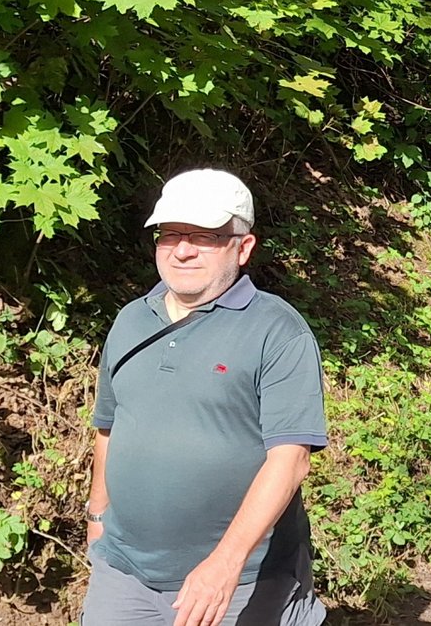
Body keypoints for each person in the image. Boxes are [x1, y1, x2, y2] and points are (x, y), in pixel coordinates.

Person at [84, 169, 328, 626]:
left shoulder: (277, 330)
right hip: (123, 575)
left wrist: (224, 565)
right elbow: (109, 427)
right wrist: (97, 518)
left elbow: (291, 459)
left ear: (244, 246)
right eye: (170, 234)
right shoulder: (131, 320)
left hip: (240, 583)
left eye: (205, 236)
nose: (182, 249)